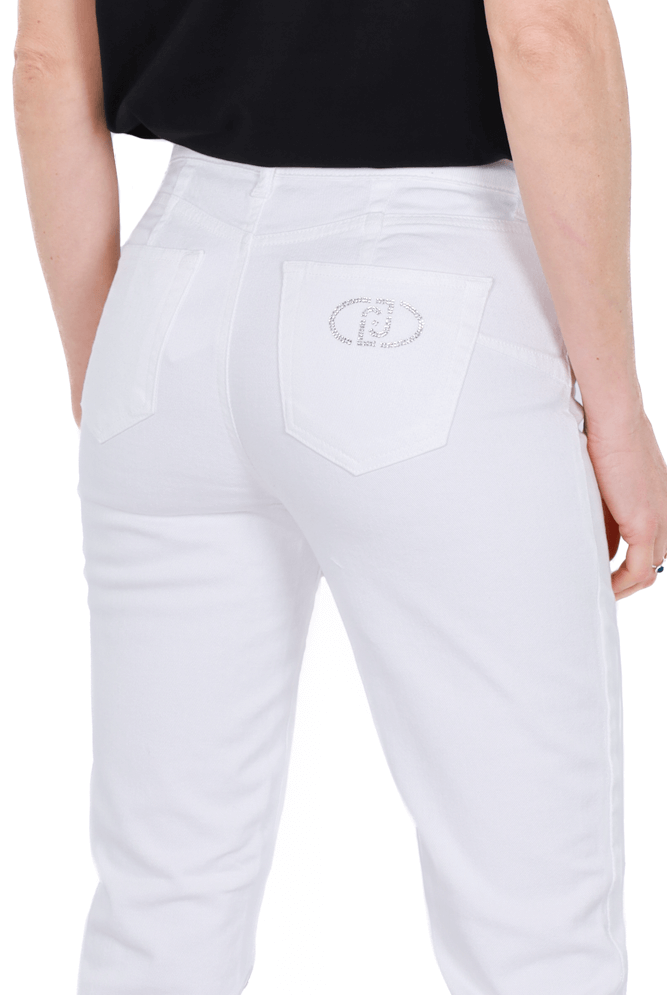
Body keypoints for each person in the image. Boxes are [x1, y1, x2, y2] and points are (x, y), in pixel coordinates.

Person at [12, 0, 667, 992]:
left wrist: (102, 366)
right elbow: (545, 34)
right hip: (430, 277)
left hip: (168, 288)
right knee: (532, 926)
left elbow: (46, 61)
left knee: (163, 898)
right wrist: (614, 410)